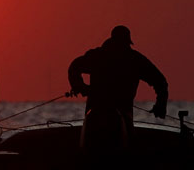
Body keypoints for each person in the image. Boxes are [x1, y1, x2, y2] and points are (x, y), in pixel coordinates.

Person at [68, 25, 168, 155]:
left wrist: (80, 87)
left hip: (104, 113)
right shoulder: (133, 59)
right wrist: (160, 105)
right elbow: (161, 82)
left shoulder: (98, 56)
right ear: (127, 42)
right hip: (117, 115)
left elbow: (74, 67)